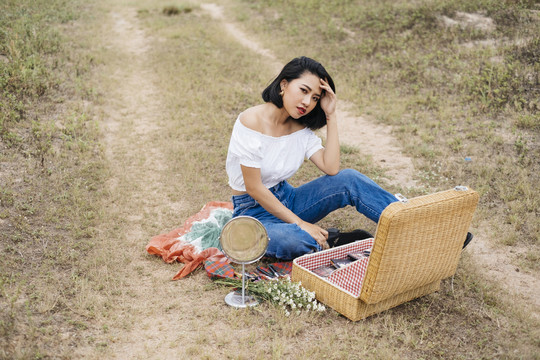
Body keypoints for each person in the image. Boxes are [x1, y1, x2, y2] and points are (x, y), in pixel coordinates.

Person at [226, 56, 398, 260]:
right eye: (304, 91)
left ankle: (406, 223)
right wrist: (300, 224)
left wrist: (331, 115)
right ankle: (331, 242)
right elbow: (254, 188)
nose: (307, 102)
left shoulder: (300, 128)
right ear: (284, 84)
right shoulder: (251, 122)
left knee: (349, 179)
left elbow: (331, 168)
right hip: (253, 212)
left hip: (288, 199)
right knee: (294, 241)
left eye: (315, 98)